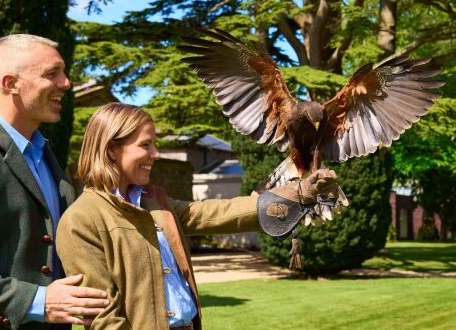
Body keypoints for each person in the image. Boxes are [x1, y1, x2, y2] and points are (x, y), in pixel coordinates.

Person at [56, 102, 339, 330]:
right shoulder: (81, 221)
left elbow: (212, 213)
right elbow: (103, 318)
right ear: (111, 150)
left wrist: (296, 193)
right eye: (145, 145)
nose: (156, 154)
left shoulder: (154, 201)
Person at [0, 34, 110, 329]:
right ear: (11, 84)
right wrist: (39, 301)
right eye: (52, 74)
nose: (66, 83)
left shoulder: (43, 153)